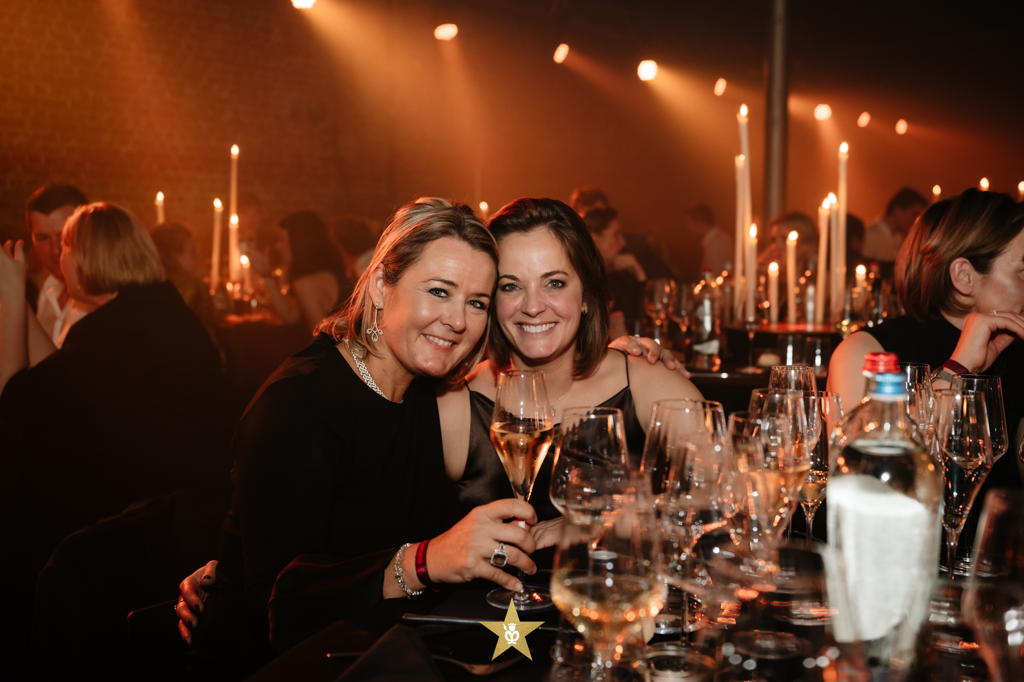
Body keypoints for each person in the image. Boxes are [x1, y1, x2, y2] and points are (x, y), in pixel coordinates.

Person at [179, 198, 549, 667]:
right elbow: (275, 603)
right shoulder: (299, 402)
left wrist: (620, 353)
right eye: (439, 291)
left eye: (476, 303)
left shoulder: (428, 394)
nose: (458, 321)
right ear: (379, 286)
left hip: (385, 649)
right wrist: (422, 562)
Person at [0, 203, 229, 668]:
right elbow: (55, 374)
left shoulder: (121, 331)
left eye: (65, 246)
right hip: (175, 504)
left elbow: (13, 399)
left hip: (133, 518)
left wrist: (7, 294)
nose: (58, 257)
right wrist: (20, 301)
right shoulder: (149, 311)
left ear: (89, 257)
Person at [442, 198, 703, 522]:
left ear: (586, 297)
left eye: (555, 283)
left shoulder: (647, 383)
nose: (533, 306)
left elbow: (730, 495)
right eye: (510, 286)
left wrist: (585, 525)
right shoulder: (457, 404)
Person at [828, 189, 1024, 500]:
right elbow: (868, 481)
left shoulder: (1016, 350)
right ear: (964, 276)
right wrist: (959, 367)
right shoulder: (868, 352)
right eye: (1023, 271)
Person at [254, 211, 352, 331]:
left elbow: (319, 336)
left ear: (298, 242)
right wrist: (266, 276)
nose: (278, 246)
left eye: (282, 240)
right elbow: (291, 315)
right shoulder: (332, 272)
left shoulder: (306, 282)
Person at [24, 184, 91, 349]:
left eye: (63, 235)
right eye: (43, 238)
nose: (55, 249)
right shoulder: (49, 289)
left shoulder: (101, 294)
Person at [582, 206, 645, 336]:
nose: (623, 242)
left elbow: (640, 326)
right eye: (616, 235)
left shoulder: (615, 278)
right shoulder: (580, 280)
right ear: (594, 238)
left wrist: (640, 275)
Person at [151, 221, 219, 334]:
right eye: (192, 252)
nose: (198, 258)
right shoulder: (193, 289)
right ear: (174, 256)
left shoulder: (147, 286)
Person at [862, 187, 928, 263]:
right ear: (897, 210)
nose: (915, 221)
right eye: (914, 215)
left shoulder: (903, 239)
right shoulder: (869, 236)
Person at [682, 203, 732, 275]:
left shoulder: (715, 244)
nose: (687, 229)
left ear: (699, 223)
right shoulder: (717, 240)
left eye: (688, 224)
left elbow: (713, 276)